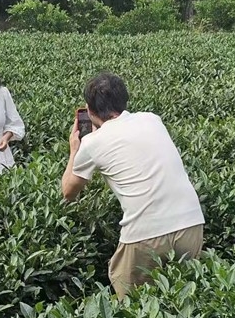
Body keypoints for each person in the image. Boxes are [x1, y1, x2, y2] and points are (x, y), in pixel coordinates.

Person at [61, 72, 204, 299]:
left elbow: (68, 192)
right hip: (191, 224)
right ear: (124, 101)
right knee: (184, 297)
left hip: (147, 232)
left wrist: (74, 149)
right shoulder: (151, 119)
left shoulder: (91, 143)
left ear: (89, 110)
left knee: (132, 303)